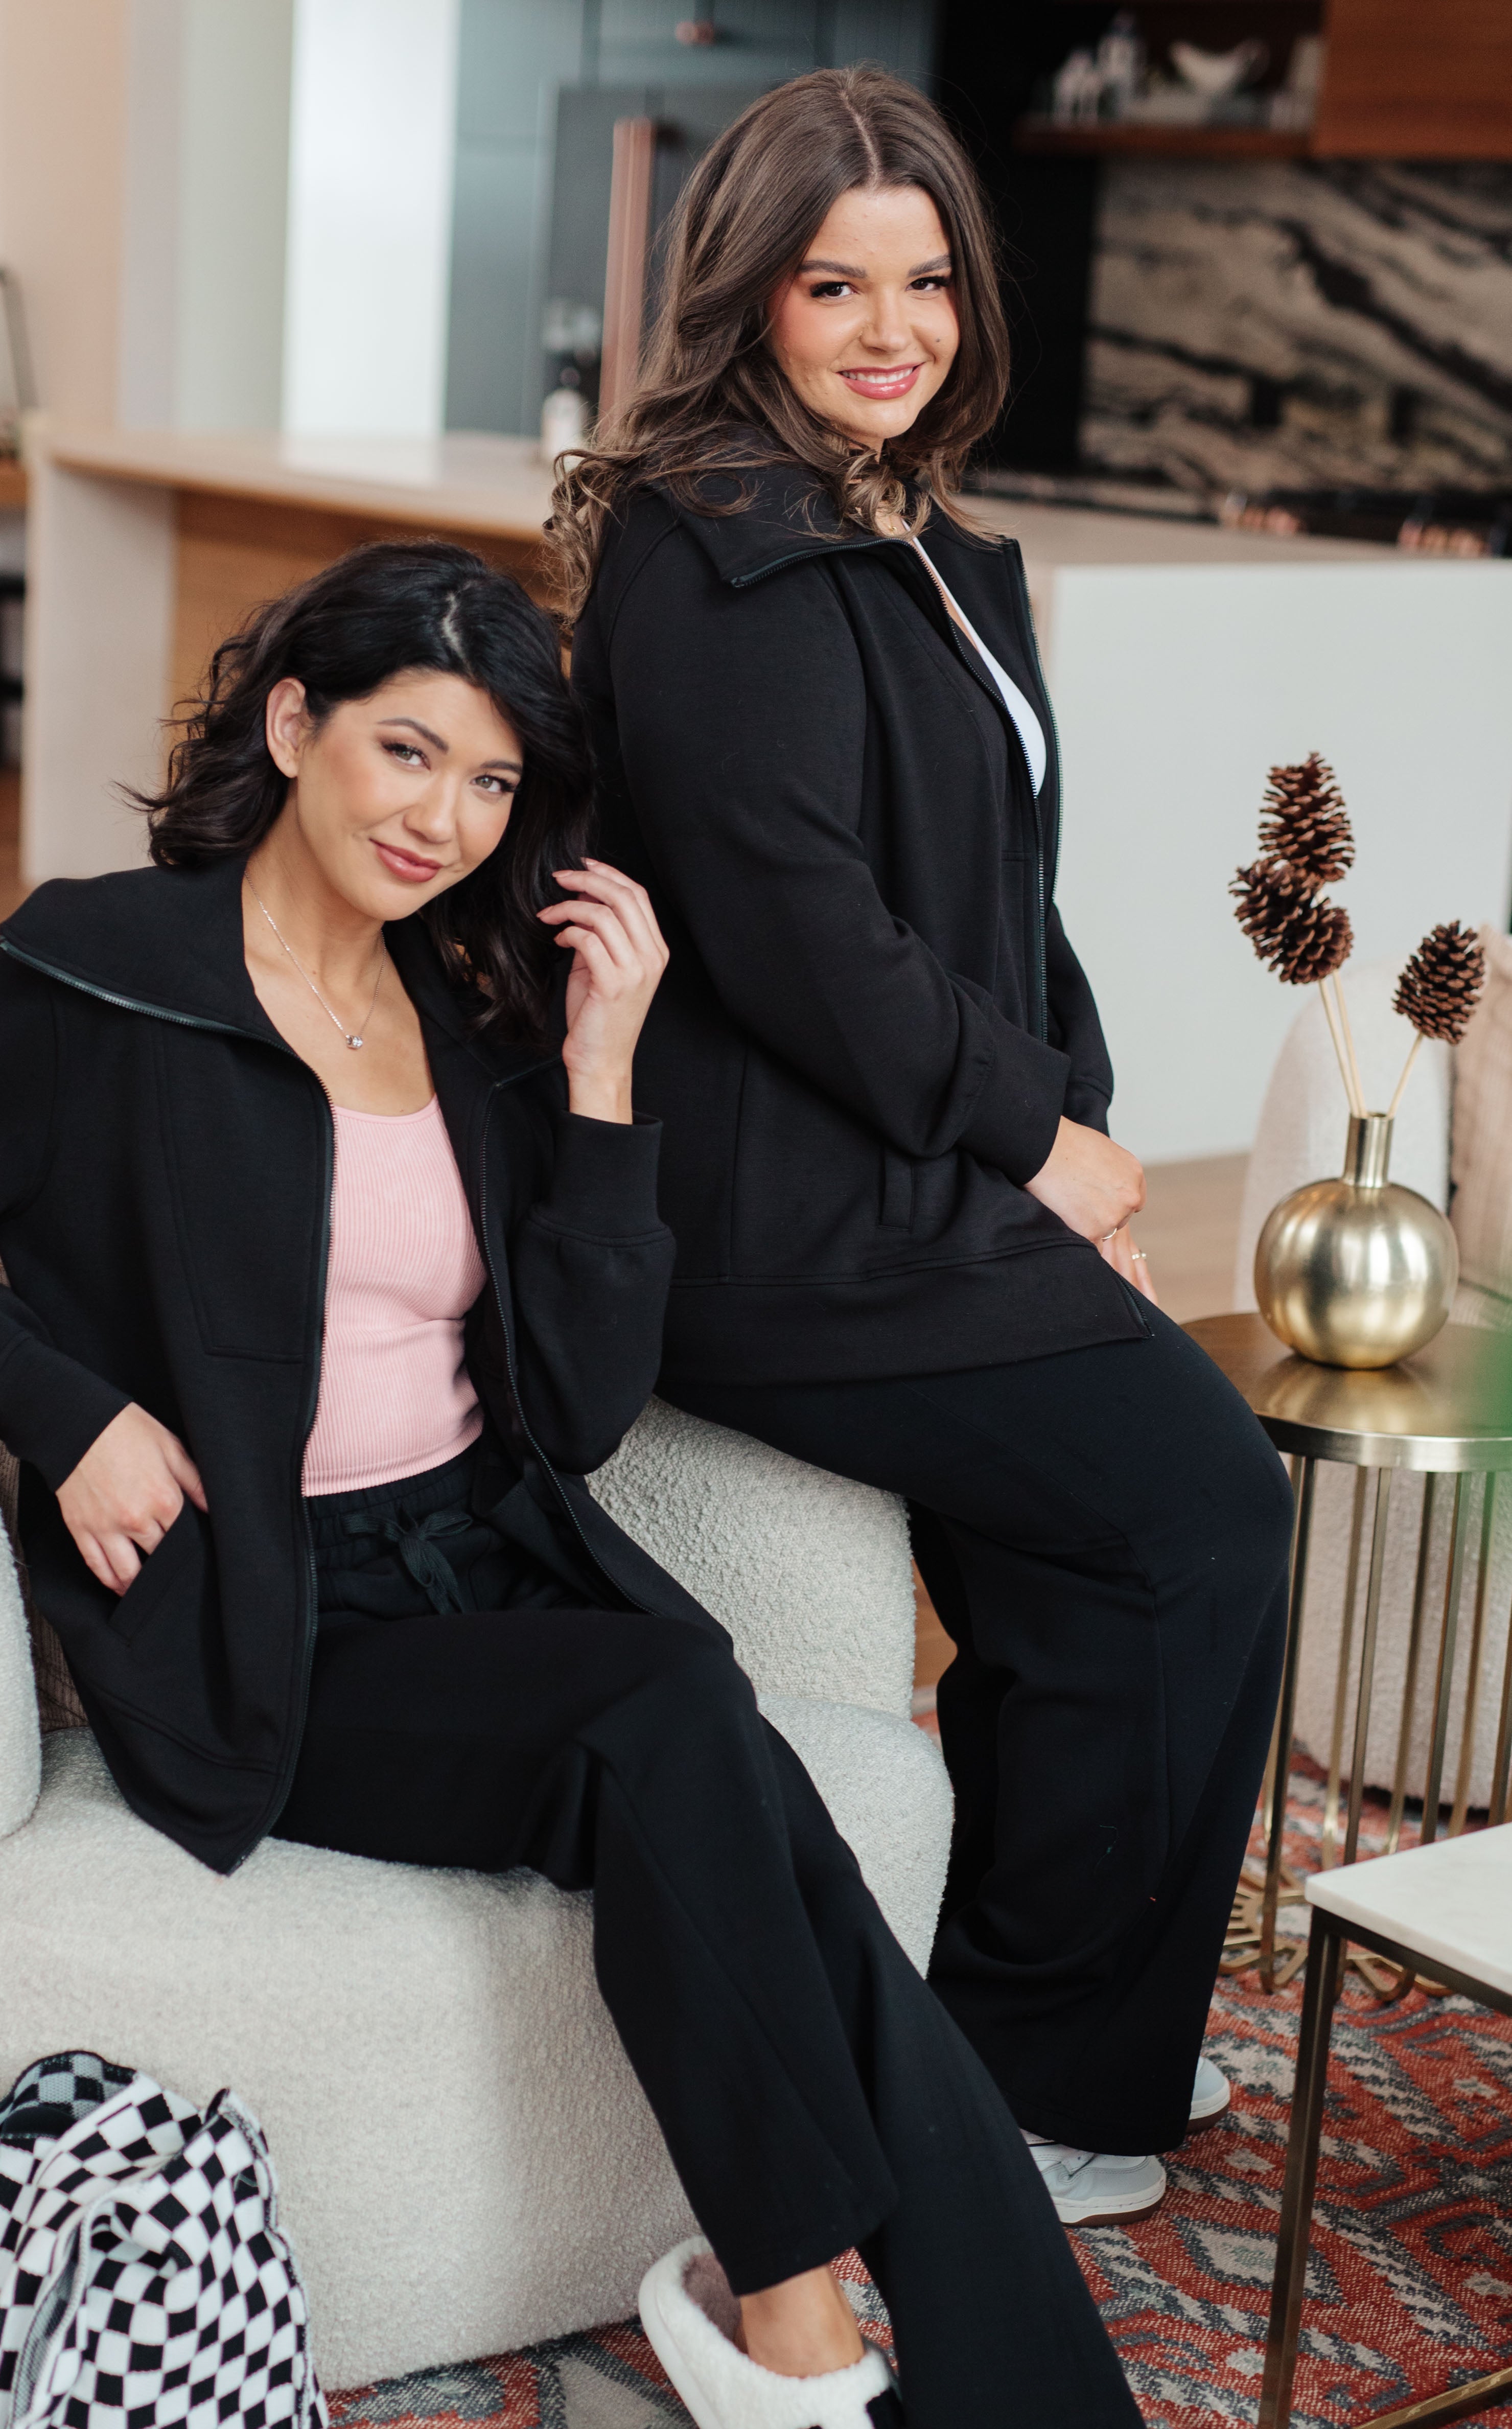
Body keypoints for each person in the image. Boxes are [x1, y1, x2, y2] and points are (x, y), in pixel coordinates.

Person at [0, 543, 1391, 2429]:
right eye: (404, 746)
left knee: (724, 1774)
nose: (440, 812)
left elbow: (590, 1396)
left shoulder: (476, 1019)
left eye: (494, 780)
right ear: (299, 725)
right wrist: (67, 1408)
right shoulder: (97, 973)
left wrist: (608, 1070)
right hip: (274, 1633)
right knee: (671, 1722)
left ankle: (844, 2349)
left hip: (494, 1567)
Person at [556, 63, 1297, 2235]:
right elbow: (799, 923)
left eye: (928, 280)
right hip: (778, 1213)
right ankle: (1034, 2090)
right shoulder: (714, 549)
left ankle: (1052, 2034)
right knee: (1195, 1509)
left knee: (1114, 1558)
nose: (891, 326)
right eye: (833, 284)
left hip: (927, 1169)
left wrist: (1081, 1125)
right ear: (753, 302)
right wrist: (1030, 1150)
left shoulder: (947, 545)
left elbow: (1006, 899)